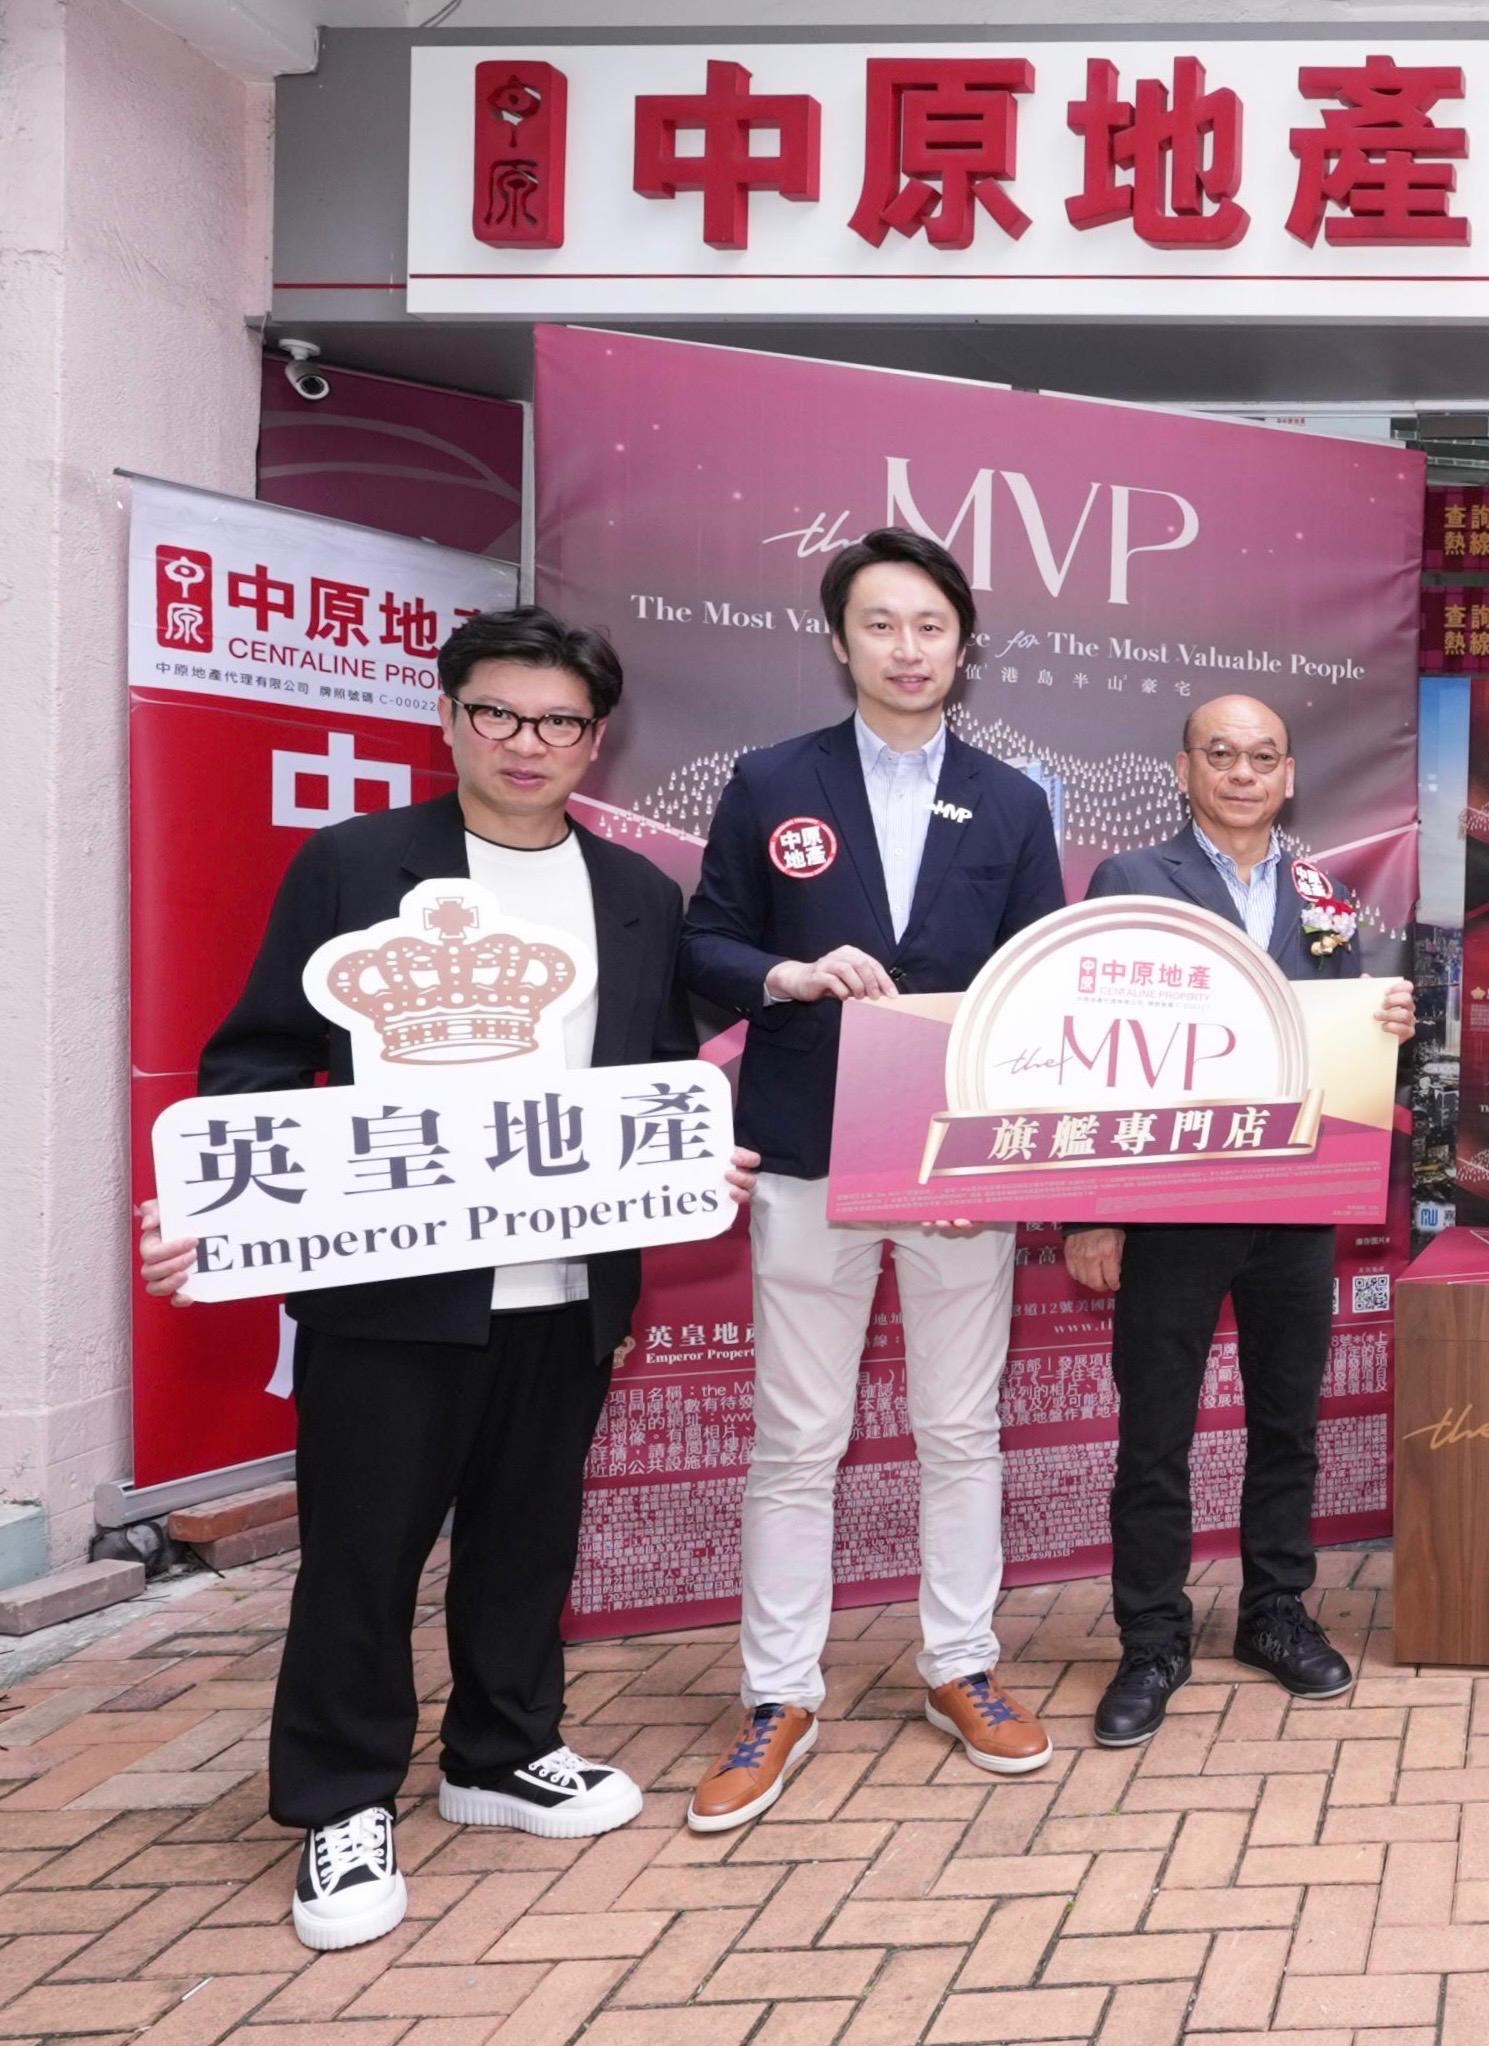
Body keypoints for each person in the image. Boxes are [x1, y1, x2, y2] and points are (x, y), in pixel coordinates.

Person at [136, 607, 751, 1952]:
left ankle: (502, 1749)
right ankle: (343, 1799)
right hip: (391, 1289)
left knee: (528, 1534)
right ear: (449, 716)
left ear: (597, 737)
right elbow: (259, 1062)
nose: (528, 742)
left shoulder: (635, 892)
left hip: (567, 1282)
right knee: (362, 1553)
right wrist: (209, 1207)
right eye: (498, 712)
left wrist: (694, 1158)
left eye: (559, 720)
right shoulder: (356, 864)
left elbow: (654, 1075)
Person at [680, 529, 1069, 1831]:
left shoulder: (1012, 800)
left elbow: (1033, 988)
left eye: (931, 626)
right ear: (839, 640)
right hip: (806, 1145)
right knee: (798, 1435)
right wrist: (784, 975)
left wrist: (991, 1151)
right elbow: (705, 942)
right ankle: (777, 1693)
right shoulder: (769, 779)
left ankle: (960, 1663)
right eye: (881, 624)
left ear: (964, 646)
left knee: (961, 1427)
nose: (908, 648)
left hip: (954, 1160)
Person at [1065, 695, 1417, 1748]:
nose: (1242, 772)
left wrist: (1385, 1025)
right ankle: (1151, 1637)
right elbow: (1085, 1043)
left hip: (1294, 1202)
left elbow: (1342, 1041)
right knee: (1155, 1434)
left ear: (1290, 775)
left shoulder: (1326, 895)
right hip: (1168, 1206)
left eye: (1263, 756)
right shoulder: (1131, 879)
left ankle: (1274, 1610)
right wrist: (1089, 1213)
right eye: (1220, 753)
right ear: (1185, 769)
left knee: (1287, 1422)